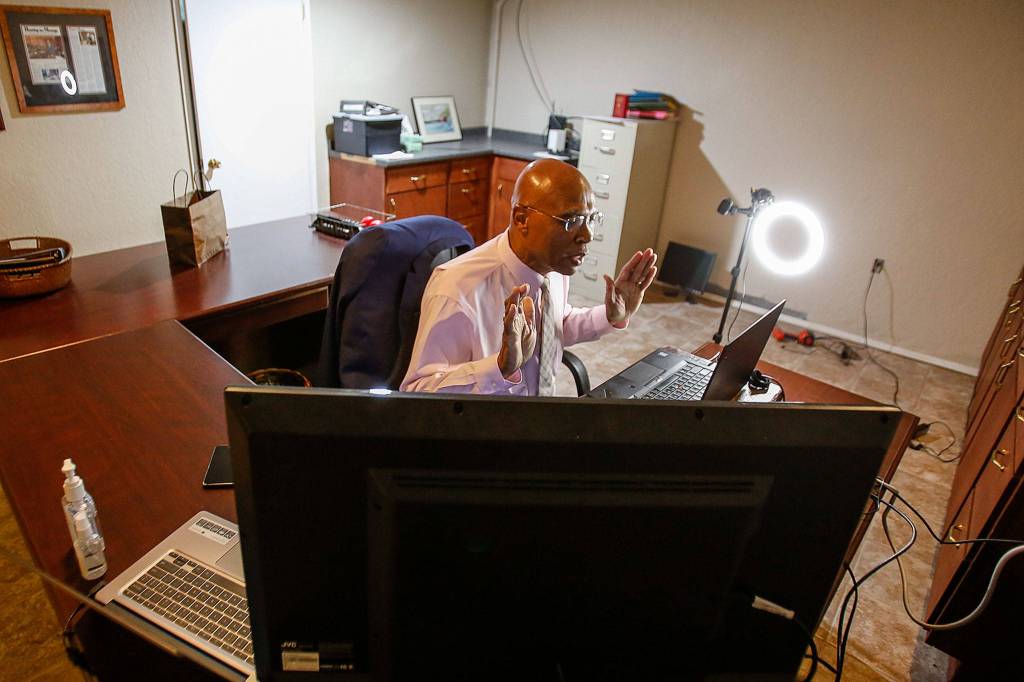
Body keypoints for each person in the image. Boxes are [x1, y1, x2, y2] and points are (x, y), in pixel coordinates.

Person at [400, 159, 657, 395]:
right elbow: (418, 390)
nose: (587, 236)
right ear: (522, 218)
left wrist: (610, 316)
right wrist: (499, 367)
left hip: (540, 418)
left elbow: (555, 326)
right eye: (570, 220)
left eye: (590, 219)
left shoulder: (553, 267)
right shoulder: (457, 288)